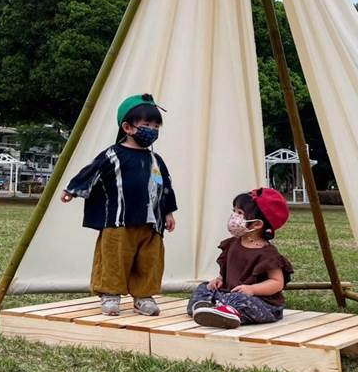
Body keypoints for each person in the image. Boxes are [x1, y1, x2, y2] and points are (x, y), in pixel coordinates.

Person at [60, 93, 177, 317]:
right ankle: (110, 294)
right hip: (118, 220)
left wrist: (169, 211)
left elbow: (165, 185)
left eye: (155, 125)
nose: (152, 129)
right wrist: (72, 190)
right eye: (146, 124)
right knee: (114, 257)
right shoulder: (112, 155)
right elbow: (91, 171)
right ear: (128, 127)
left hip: (151, 222)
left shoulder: (155, 160)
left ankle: (143, 295)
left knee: (149, 259)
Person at [187, 187, 293, 329]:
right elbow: (228, 270)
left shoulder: (268, 254)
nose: (234, 217)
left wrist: (253, 289)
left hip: (261, 303)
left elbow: (277, 282)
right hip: (229, 294)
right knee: (203, 288)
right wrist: (219, 280)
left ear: (257, 224)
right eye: (234, 211)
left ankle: (226, 312)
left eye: (240, 213)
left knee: (239, 300)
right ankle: (208, 309)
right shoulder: (232, 243)